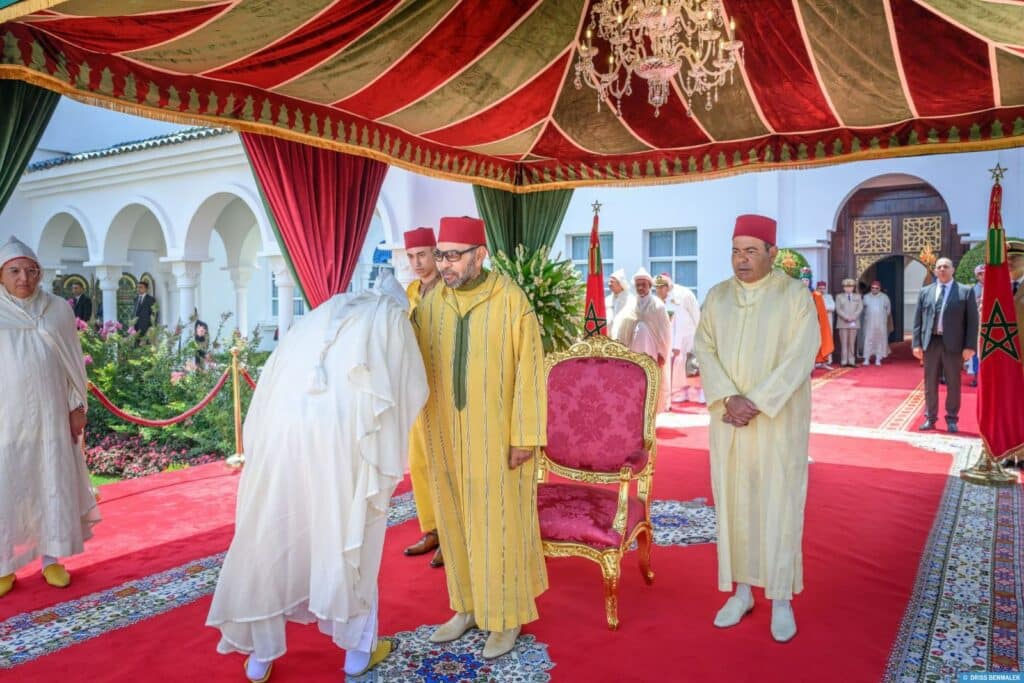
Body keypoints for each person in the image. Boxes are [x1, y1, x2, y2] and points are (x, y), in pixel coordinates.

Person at [206, 271, 428, 681]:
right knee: (352, 534)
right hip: (343, 438)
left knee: (272, 531)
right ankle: (357, 653)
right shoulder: (393, 316)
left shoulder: (322, 314)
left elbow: (271, 381)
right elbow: (411, 389)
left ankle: (260, 658)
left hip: (283, 433)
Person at [412, 216, 547, 660]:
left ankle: (505, 618)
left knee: (498, 525)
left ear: (479, 255)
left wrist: (525, 435)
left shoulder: (511, 301)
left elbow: (530, 370)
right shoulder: (432, 304)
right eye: (441, 255)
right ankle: (466, 606)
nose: (444, 265)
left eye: (453, 256)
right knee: (453, 520)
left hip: (497, 438)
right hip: (445, 432)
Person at [693, 215, 819, 643]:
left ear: (771, 253)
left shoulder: (794, 296)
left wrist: (757, 401)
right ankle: (743, 591)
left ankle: (781, 598)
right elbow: (703, 347)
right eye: (735, 250)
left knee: (779, 502)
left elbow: (801, 355)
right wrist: (730, 398)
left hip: (777, 421)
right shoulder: (717, 297)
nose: (741, 259)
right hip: (729, 422)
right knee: (734, 502)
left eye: (750, 251)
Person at [0, 237, 101, 598]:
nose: (23, 278)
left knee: (51, 480)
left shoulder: (57, 308)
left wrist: (77, 408)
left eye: (30, 270)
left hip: (51, 415)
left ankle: (52, 558)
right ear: (1, 275)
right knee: (7, 486)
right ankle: (4, 565)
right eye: (14, 270)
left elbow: (73, 364)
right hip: (6, 420)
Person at [400, 226, 444, 569]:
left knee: (445, 463)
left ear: (436, 253)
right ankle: (431, 529)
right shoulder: (410, 291)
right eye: (412, 257)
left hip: (444, 387)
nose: (417, 263)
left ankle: (452, 535)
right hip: (417, 388)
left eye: (422, 255)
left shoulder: (451, 290)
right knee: (419, 460)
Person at [912, 257, 978, 434]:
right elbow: (918, 320)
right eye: (939, 267)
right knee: (929, 383)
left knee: (953, 383)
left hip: (954, 345)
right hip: (931, 342)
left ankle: (952, 419)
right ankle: (930, 418)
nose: (942, 269)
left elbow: (972, 322)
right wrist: (916, 343)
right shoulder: (925, 291)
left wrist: (970, 346)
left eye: (946, 267)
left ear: (952, 269)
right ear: (935, 271)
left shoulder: (965, 291)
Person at [628, 268, 672, 412]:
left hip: (652, 352)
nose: (640, 287)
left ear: (649, 285)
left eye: (643, 284)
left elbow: (665, 332)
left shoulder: (658, 305)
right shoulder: (631, 304)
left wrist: (662, 354)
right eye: (638, 285)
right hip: (634, 353)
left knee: (651, 383)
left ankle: (651, 417)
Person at [655, 273, 703, 404]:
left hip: (688, 336)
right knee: (677, 368)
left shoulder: (683, 294)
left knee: (692, 365)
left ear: (667, 286)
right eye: (656, 288)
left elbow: (694, 315)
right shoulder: (661, 299)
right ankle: (681, 392)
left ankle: (698, 393)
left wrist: (701, 334)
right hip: (673, 338)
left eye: (660, 288)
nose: (658, 291)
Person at [834, 278, 863, 367]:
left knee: (851, 342)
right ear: (843, 288)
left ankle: (851, 361)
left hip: (854, 322)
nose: (848, 289)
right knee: (844, 342)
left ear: (853, 287)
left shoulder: (857, 296)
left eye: (850, 287)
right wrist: (846, 317)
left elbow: (860, 308)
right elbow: (838, 309)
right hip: (843, 322)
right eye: (846, 287)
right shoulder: (839, 296)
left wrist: (854, 317)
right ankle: (844, 361)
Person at [861, 281, 891, 366]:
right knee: (868, 339)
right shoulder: (866, 297)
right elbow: (862, 309)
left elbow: (888, 310)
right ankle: (866, 358)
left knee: (879, 340)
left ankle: (878, 359)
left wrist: (882, 317)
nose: (874, 289)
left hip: (880, 323)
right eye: (872, 288)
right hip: (869, 323)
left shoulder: (884, 297)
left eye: (876, 288)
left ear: (879, 289)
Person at [968, 263, 985, 386]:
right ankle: (976, 376)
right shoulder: (973, 290)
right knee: (976, 352)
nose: (983, 276)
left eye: (984, 273)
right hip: (977, 324)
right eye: (980, 274)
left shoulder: (996, 286)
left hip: (989, 325)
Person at [606, 269, 633, 341]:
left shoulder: (631, 300)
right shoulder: (607, 300)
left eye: (612, 282)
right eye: (609, 281)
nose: (609, 284)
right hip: (608, 340)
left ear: (620, 284)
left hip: (624, 340)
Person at [816, 281, 835, 367]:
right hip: (817, 321)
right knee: (817, 340)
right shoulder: (814, 295)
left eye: (823, 288)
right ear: (817, 288)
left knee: (827, 339)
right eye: (820, 288)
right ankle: (817, 361)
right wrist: (823, 309)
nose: (822, 290)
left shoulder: (829, 297)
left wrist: (822, 309)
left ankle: (827, 361)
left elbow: (833, 307)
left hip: (827, 321)